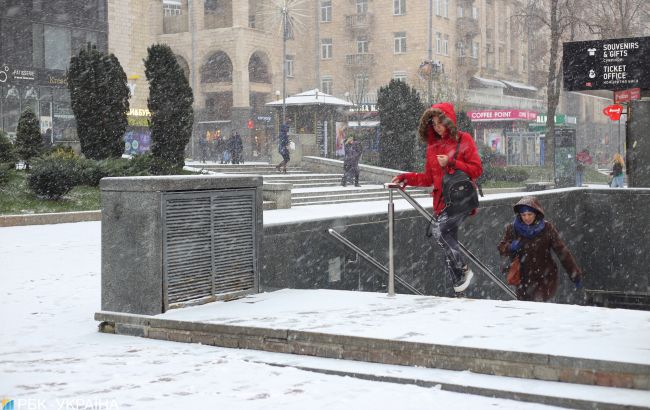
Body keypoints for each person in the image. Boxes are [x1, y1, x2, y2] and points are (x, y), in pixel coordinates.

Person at [391, 102, 483, 294]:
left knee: (439, 231)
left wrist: (452, 161)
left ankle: (464, 270)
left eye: (440, 121)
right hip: (442, 203)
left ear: (448, 121)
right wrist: (405, 178)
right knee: (448, 243)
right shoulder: (432, 147)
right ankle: (459, 288)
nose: (437, 126)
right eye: (433, 123)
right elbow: (427, 179)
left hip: (462, 200)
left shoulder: (463, 139)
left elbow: (477, 170)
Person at [497, 196, 583, 302]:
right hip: (523, 279)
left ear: (536, 213)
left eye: (530, 214)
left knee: (539, 306)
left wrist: (575, 274)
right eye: (523, 215)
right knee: (525, 308)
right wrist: (510, 247)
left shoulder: (547, 228)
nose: (526, 218)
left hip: (545, 278)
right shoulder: (512, 228)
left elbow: (562, 252)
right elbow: (501, 248)